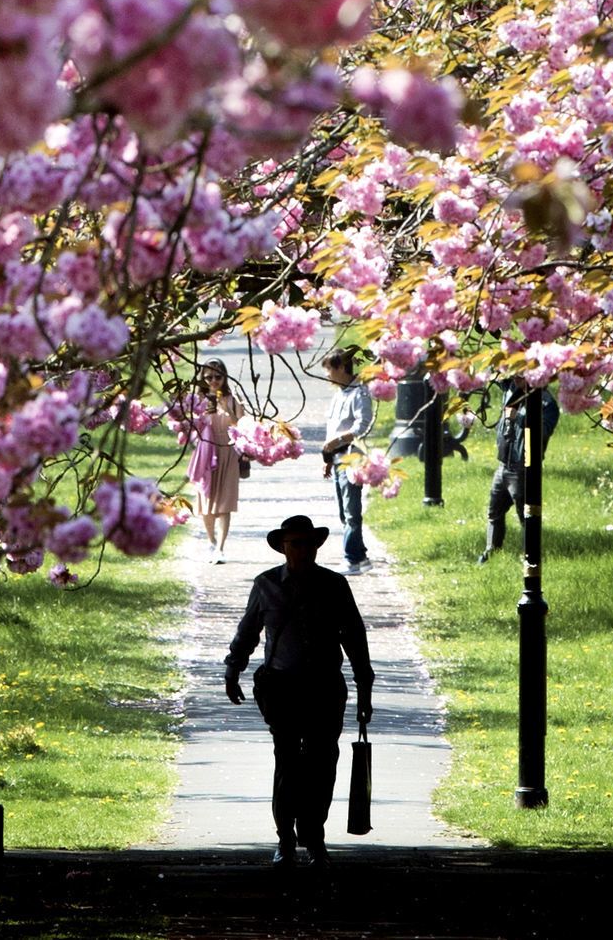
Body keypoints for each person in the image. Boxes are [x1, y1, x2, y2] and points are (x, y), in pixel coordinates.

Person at [223, 513, 374, 862]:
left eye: (308, 544)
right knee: (287, 760)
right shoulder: (266, 586)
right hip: (281, 687)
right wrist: (234, 670)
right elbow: (247, 632)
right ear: (283, 548)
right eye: (295, 544)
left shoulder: (335, 586)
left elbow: (354, 638)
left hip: (324, 687)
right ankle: (285, 839)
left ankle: (314, 833)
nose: (302, 550)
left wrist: (364, 688)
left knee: (323, 761)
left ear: (317, 547)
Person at [479, 379, 560, 563]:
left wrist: (520, 417)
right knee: (494, 512)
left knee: (527, 517)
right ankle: (491, 552)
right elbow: (497, 369)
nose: (516, 376)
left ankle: (530, 560)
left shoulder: (547, 404)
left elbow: (543, 432)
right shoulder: (511, 389)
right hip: (503, 465)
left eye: (521, 373)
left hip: (524, 469)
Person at [318, 351, 376, 572]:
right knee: (344, 511)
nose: (327, 375)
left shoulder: (359, 393)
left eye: (329, 370)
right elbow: (332, 427)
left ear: (342, 367)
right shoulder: (339, 394)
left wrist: (338, 441)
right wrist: (328, 458)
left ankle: (351, 557)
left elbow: (363, 425)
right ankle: (360, 556)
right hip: (337, 457)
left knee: (352, 510)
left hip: (351, 457)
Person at [183, 360, 246, 562]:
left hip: (228, 452)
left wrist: (227, 412)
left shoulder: (233, 399)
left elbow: (243, 426)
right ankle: (211, 542)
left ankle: (220, 547)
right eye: (208, 377)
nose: (213, 381)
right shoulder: (199, 401)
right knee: (206, 501)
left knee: (225, 503)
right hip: (207, 453)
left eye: (218, 377)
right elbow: (190, 426)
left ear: (225, 377)